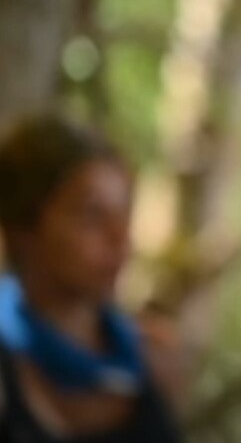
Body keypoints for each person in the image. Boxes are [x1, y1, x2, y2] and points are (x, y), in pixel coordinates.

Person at [0, 114, 180, 442]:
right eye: (92, 215)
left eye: (124, 213)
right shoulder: (10, 363)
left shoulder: (145, 359)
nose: (120, 238)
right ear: (24, 228)